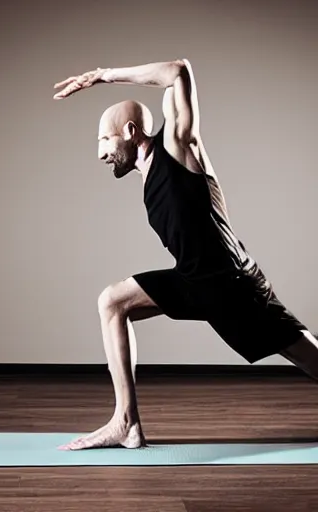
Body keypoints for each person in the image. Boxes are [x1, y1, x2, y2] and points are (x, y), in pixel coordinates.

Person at [52, 59, 318, 451]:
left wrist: (103, 76)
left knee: (304, 355)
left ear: (130, 132)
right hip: (194, 280)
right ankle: (126, 422)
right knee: (112, 301)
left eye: (104, 141)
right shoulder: (147, 176)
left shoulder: (178, 146)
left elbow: (178, 71)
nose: (100, 154)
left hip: (233, 283)